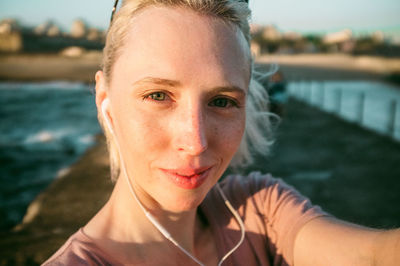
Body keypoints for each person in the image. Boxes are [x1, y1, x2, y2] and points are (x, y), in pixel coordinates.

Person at [43, 0, 399, 265]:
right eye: (158, 95)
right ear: (105, 101)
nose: (195, 142)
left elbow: (374, 256)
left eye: (222, 101)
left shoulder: (259, 212)